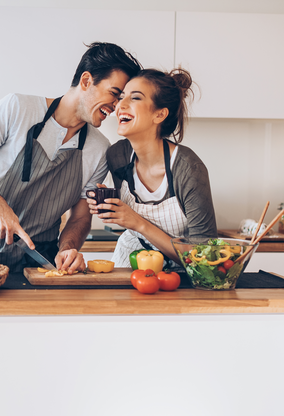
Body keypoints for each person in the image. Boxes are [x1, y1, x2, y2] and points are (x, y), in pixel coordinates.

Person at [0, 42, 142, 273]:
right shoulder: (18, 109)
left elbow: (80, 217)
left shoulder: (99, 149)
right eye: (115, 94)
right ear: (87, 81)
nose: (118, 106)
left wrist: (68, 249)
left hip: (44, 258)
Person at [88, 67, 217, 268]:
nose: (120, 104)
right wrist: (110, 204)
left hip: (180, 274)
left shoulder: (188, 169)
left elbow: (205, 258)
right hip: (129, 262)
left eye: (135, 98)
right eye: (121, 97)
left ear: (159, 115)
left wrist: (137, 222)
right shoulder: (118, 155)